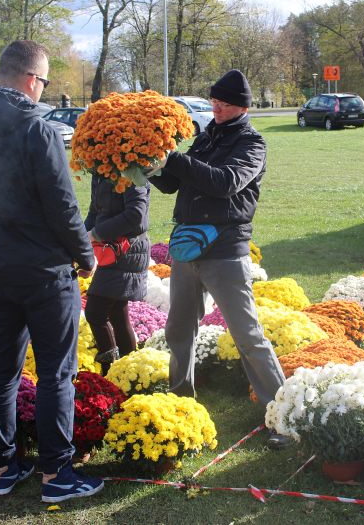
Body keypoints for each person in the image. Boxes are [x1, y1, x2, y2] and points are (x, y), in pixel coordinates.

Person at [0, 40, 104, 503]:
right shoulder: (40, 130)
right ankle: (57, 475)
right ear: (33, 80)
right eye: (45, 83)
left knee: (2, 368)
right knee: (57, 372)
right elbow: (63, 205)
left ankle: (2, 466)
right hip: (44, 271)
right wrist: (85, 255)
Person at [148, 69, 290, 449]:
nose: (217, 108)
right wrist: (150, 163)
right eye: (214, 102)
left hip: (225, 251)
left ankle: (284, 414)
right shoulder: (207, 135)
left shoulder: (252, 144)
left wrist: (175, 159)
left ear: (242, 106)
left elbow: (225, 183)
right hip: (187, 247)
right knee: (178, 330)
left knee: (247, 336)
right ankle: (181, 401)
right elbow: (173, 182)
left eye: (224, 104)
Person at [83, 174, 150, 376]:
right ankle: (129, 374)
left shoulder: (130, 169)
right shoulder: (101, 172)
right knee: (118, 314)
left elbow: (136, 215)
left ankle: (111, 370)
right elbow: (95, 212)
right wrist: (81, 243)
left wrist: (96, 234)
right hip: (108, 251)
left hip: (125, 251)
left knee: (95, 312)